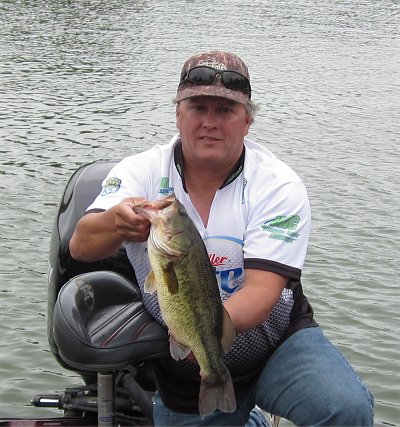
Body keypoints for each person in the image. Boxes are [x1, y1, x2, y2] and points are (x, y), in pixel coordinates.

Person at [69, 50, 374, 426]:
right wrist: (116, 223)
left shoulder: (277, 183)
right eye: (198, 108)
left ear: (247, 121)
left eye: (225, 111)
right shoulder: (141, 171)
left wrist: (207, 338)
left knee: (345, 408)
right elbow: (81, 246)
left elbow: (263, 291)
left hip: (277, 342)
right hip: (185, 367)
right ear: (177, 114)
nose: (210, 123)